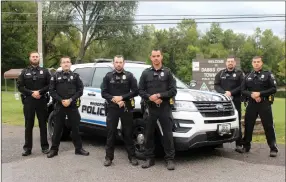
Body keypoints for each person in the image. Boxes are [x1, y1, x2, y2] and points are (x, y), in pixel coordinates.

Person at [138, 49, 177, 170]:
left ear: (161, 57)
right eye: (154, 56)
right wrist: (151, 98)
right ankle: (149, 159)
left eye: (158, 56)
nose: (156, 58)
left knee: (167, 134)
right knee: (149, 134)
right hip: (150, 108)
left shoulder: (168, 72)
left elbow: (173, 90)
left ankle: (169, 159)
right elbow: (140, 90)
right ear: (151, 58)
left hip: (164, 108)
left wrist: (159, 96)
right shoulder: (145, 73)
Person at [47, 56, 89, 158]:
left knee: (75, 128)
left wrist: (70, 100)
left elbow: (80, 90)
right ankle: (54, 150)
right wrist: (61, 100)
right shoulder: (55, 76)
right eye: (64, 62)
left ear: (70, 64)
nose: (66, 64)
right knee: (57, 128)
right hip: (59, 106)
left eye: (68, 62)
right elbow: (52, 91)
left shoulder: (75, 76)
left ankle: (78, 149)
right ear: (61, 65)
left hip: (72, 106)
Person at [101, 55, 139, 167]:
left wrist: (122, 98)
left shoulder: (129, 76)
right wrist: (114, 99)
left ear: (124, 63)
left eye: (120, 62)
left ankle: (132, 157)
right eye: (116, 62)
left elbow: (136, 91)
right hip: (112, 108)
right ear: (113, 63)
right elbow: (104, 92)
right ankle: (108, 158)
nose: (118, 64)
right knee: (111, 133)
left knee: (128, 133)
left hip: (126, 107)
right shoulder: (108, 76)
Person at [238, 56, 278, 157]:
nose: (256, 63)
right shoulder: (247, 76)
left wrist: (260, 94)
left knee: (268, 126)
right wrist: (252, 95)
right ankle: (246, 146)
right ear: (252, 64)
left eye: (258, 62)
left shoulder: (268, 74)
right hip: (251, 104)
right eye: (254, 62)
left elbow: (273, 89)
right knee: (248, 125)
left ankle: (273, 148)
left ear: (261, 63)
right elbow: (243, 90)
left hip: (264, 104)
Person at [17, 51, 50, 156]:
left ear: (39, 58)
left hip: (42, 100)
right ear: (30, 58)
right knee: (28, 125)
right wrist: (31, 93)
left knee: (43, 125)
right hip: (29, 102)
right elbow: (20, 87)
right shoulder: (24, 72)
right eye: (33, 56)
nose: (35, 58)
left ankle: (45, 147)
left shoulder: (45, 72)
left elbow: (50, 85)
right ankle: (27, 148)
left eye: (36, 56)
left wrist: (40, 92)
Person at [214, 56, 244, 152]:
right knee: (221, 121)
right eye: (228, 61)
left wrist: (231, 93)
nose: (230, 63)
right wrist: (224, 93)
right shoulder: (221, 73)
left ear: (235, 63)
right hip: (222, 102)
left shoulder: (239, 73)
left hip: (236, 101)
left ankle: (239, 144)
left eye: (232, 61)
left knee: (237, 121)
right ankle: (219, 142)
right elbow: (216, 85)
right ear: (226, 63)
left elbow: (242, 86)